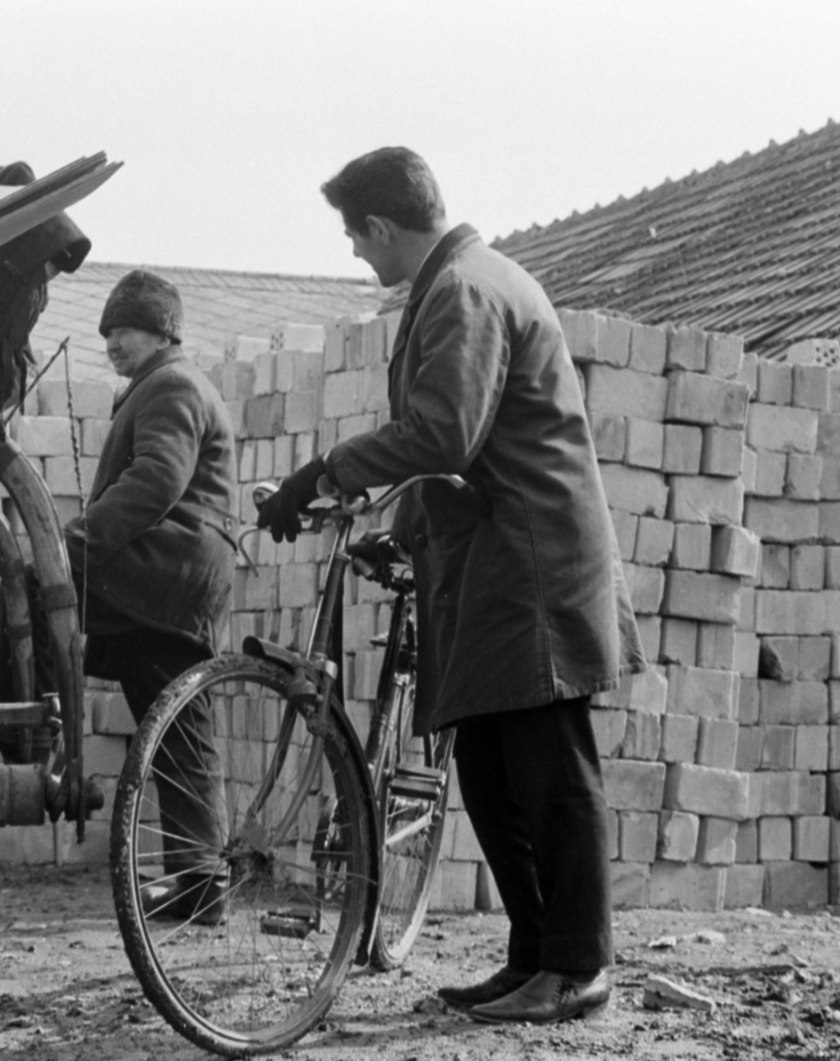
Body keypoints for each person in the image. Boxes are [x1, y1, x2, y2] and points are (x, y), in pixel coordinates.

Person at [256, 147, 646, 1023]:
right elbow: (465, 450)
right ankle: (533, 953)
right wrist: (395, 533)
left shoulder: (465, 290)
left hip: (532, 565)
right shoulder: (462, 281)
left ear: (381, 225)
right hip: (501, 560)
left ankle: (578, 965)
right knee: (491, 768)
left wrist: (325, 469)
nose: (356, 252)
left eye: (356, 237)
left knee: (550, 769)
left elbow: (442, 434)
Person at [64, 269, 238, 925]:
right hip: (168, 576)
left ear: (164, 331)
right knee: (174, 730)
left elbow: (159, 478)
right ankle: (198, 882)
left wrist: (81, 538)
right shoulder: (162, 383)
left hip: (166, 575)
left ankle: (204, 884)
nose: (112, 343)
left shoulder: (171, 385)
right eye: (107, 332)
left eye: (126, 330)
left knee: (179, 728)